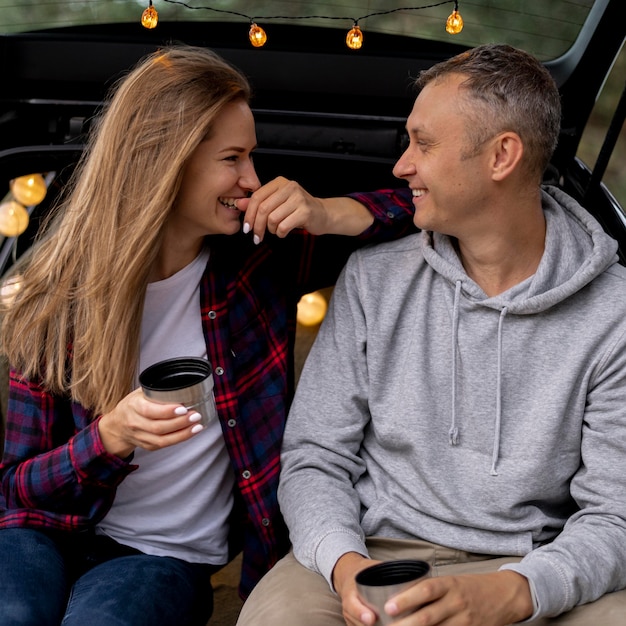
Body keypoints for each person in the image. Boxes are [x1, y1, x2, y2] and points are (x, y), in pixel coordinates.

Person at [0, 45, 415, 626]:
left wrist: (325, 212)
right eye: (233, 158)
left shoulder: (260, 262)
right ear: (165, 161)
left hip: (166, 556)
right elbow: (17, 490)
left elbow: (427, 206)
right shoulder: (57, 298)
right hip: (39, 536)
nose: (252, 178)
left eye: (252, 157)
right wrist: (107, 439)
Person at [236, 43, 626, 626]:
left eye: (424, 143)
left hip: (533, 564)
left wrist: (517, 591)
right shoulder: (373, 279)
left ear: (502, 156)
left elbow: (617, 515)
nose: (401, 166)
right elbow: (315, 459)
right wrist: (348, 568)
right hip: (372, 553)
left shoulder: (615, 311)